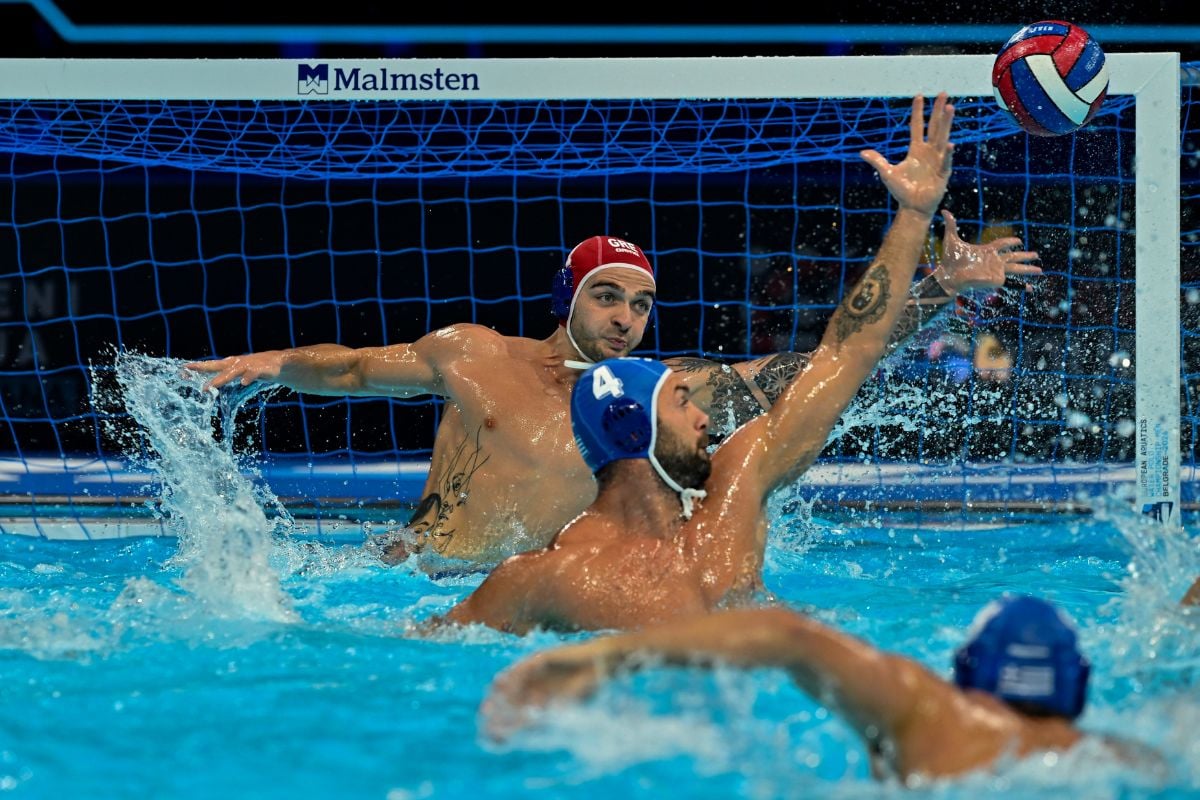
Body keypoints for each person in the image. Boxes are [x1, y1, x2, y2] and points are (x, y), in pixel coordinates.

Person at [187, 94, 1037, 568]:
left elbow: (822, 365)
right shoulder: (473, 354)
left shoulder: (657, 398)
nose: (627, 318)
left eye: (641, 304)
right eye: (608, 297)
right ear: (568, 297)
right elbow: (350, 371)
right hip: (402, 574)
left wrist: (935, 289)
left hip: (520, 595)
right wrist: (272, 361)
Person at [439, 94, 1032, 633]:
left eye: (640, 304)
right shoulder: (546, 579)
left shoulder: (730, 495)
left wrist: (915, 222)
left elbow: (841, 355)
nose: (706, 418)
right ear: (634, 430)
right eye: (681, 403)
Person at [484, 597, 1162, 784]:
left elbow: (788, 634)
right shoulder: (1128, 758)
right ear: (1078, 685)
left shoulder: (933, 712)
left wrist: (598, 659)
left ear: (969, 671)